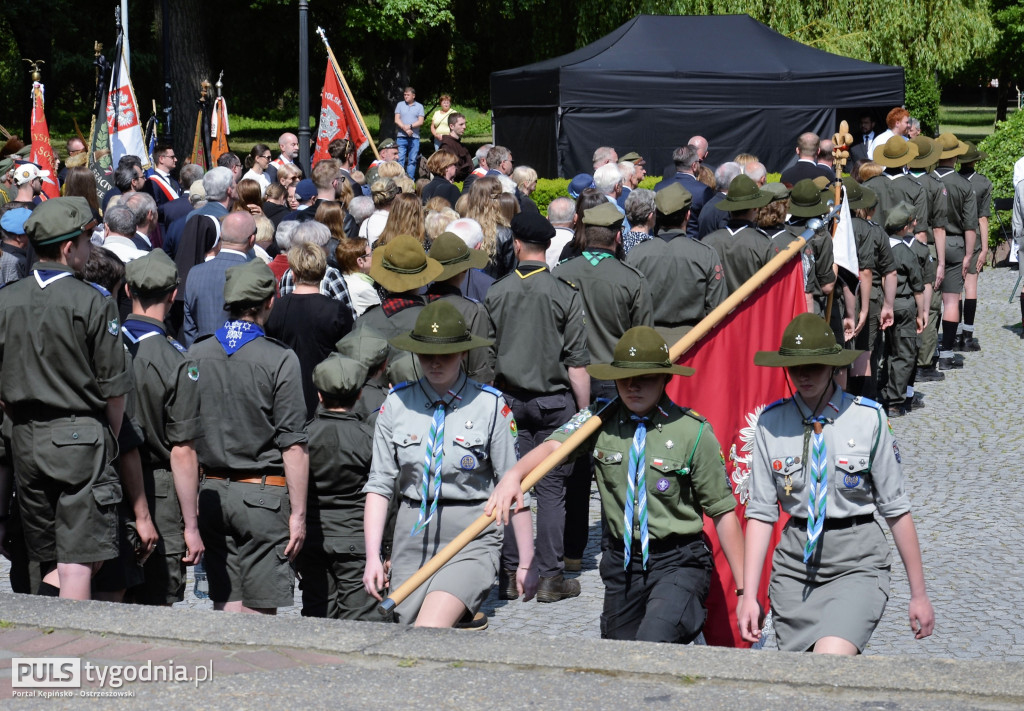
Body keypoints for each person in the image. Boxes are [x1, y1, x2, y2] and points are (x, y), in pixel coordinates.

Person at [488, 326, 745, 643]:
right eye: (625, 378)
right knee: (619, 658)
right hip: (622, 564)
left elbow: (722, 512)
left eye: (645, 378)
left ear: (666, 378)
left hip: (678, 561)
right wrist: (515, 475)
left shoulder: (692, 432)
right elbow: (556, 447)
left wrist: (744, 589)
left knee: (653, 641)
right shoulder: (599, 420)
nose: (633, 386)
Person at [738, 312, 934, 654]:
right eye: (796, 366)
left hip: (857, 560)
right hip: (795, 568)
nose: (804, 375)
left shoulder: (868, 419)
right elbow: (760, 514)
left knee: (829, 659)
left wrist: (919, 594)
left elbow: (896, 509)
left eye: (814, 365)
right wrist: (749, 594)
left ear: (832, 366)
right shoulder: (771, 424)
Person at [362, 300, 537, 626]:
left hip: (472, 532)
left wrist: (526, 559)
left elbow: (515, 485)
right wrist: (373, 555)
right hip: (411, 536)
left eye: (446, 354)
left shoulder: (490, 407)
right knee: (407, 635)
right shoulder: (397, 404)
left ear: (463, 354)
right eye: (427, 354)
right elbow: (380, 485)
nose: (436, 363)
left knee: (429, 628)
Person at [0, 197, 138, 599]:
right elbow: (114, 389)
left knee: (52, 558)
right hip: (80, 439)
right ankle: (70, 652)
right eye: (83, 241)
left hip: (24, 437)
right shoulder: (93, 301)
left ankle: (46, 643)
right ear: (67, 249)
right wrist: (107, 440)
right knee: (78, 559)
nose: (87, 248)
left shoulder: (6, 299)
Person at [189, 258, 309, 614]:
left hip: (210, 490)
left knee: (226, 603)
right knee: (259, 613)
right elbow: (293, 444)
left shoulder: (197, 353)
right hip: (262, 493)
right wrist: (299, 513)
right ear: (269, 302)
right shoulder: (280, 359)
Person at [486, 212, 590, 603]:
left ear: (515, 245)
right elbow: (576, 364)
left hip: (510, 402)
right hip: (554, 403)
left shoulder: (498, 292)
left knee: (512, 485)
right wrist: (583, 412)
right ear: (547, 247)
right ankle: (549, 577)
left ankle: (510, 572)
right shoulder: (564, 292)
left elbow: (488, 354)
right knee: (552, 492)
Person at [121, 249, 205, 605]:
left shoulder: (101, 343)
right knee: (156, 598)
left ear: (127, 292)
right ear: (173, 295)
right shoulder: (177, 360)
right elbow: (182, 450)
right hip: (157, 490)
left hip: (105, 481)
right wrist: (191, 526)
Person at [298, 354, 380, 620]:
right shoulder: (370, 440)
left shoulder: (302, 439)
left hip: (312, 538)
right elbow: (385, 495)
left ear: (319, 396)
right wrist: (386, 548)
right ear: (359, 396)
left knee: (317, 614)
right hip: (355, 538)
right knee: (361, 620)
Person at [394, 87, 425, 180]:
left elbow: (420, 121)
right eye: (404, 95)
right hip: (401, 137)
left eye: (408, 95)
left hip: (414, 137)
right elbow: (396, 119)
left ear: (413, 96)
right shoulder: (400, 105)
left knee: (412, 160)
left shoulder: (419, 106)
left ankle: (410, 180)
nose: (405, 96)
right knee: (400, 159)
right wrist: (405, 128)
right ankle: (399, 179)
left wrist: (410, 126)